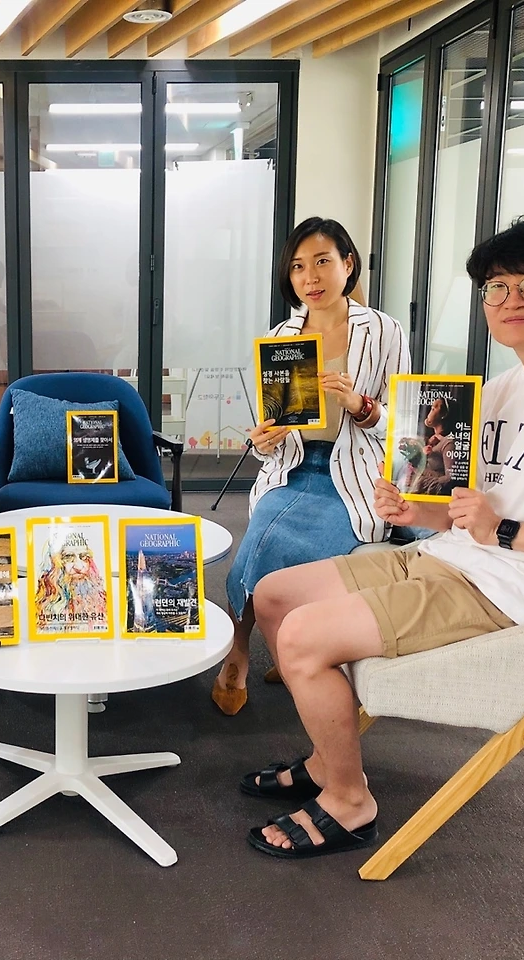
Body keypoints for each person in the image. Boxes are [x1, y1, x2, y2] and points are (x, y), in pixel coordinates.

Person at [243, 218, 524, 859]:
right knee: (275, 594)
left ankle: (350, 802)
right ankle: (328, 763)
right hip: (450, 556)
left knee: (302, 636)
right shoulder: (502, 389)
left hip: (510, 590)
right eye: (496, 288)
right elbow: (462, 510)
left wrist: (504, 531)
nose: (510, 301)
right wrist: (414, 508)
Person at [211, 217, 411, 716]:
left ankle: (286, 646)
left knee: (309, 556)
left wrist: (362, 406)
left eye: (322, 261)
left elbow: (404, 423)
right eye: (298, 267)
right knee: (260, 542)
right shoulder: (282, 336)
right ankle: (239, 650)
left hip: (355, 474)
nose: (311, 277)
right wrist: (263, 440)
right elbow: (274, 432)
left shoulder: (382, 331)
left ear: (348, 264)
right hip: (294, 469)